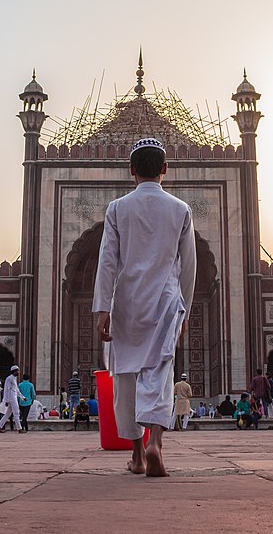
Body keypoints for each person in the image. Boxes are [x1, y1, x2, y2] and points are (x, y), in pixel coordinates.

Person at [92, 138, 197, 477]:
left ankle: (136, 455)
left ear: (131, 171)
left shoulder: (117, 208)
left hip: (127, 300)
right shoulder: (180, 209)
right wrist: (185, 311)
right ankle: (156, 444)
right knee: (160, 372)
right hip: (165, 300)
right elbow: (190, 267)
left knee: (126, 376)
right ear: (165, 170)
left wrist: (102, 309)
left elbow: (107, 261)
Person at [0, 365, 27, 433]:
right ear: (14, 371)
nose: (18, 372)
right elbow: (7, 389)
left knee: (8, 414)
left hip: (13, 397)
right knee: (16, 413)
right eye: (17, 371)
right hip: (11, 398)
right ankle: (19, 428)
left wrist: (22, 397)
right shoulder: (9, 378)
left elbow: (16, 390)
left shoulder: (14, 379)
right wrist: (6, 400)